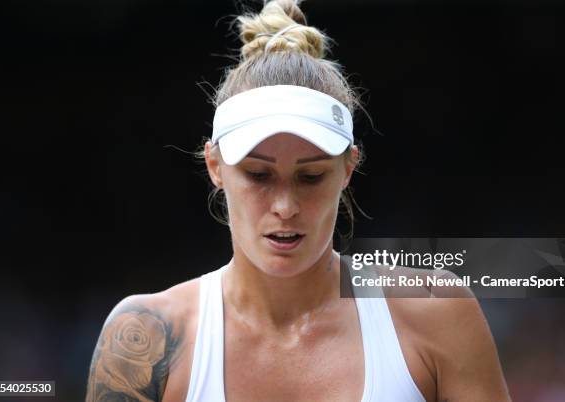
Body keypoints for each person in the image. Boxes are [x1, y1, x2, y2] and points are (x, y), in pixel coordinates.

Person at [85, 1, 511, 401]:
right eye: (258, 175)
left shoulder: (436, 310)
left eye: (310, 176)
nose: (285, 205)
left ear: (348, 168)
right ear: (215, 165)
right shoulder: (144, 336)